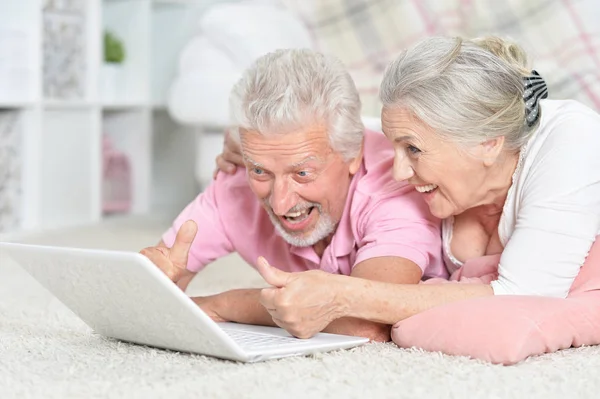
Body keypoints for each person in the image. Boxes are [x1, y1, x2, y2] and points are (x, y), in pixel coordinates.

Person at [215, 36, 600, 349]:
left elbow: (523, 294)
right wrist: (259, 147)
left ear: (488, 144)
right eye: (395, 146)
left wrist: (344, 295)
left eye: (412, 150)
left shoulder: (572, 141)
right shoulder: (451, 145)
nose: (398, 170)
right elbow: (335, 133)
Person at [141, 48, 446, 342]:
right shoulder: (237, 181)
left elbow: (364, 323)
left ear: (353, 154)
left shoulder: (396, 187)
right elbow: (153, 292)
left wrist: (226, 304)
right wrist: (153, 282)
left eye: (302, 173)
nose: (280, 202)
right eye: (260, 171)